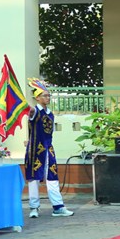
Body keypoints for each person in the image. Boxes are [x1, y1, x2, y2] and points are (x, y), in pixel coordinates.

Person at [23, 78, 73, 217]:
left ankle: (58, 207)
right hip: (35, 150)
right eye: (45, 95)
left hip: (48, 149)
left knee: (52, 177)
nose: (48, 98)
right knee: (34, 178)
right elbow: (28, 110)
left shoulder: (50, 113)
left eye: (48, 95)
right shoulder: (34, 111)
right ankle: (34, 208)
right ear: (37, 98)